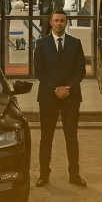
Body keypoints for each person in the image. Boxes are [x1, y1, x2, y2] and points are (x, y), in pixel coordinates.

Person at [33, 10, 87, 188]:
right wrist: (56, 88)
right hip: (48, 97)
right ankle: (43, 175)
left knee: (71, 137)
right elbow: (39, 71)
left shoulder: (75, 43)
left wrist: (67, 87)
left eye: (62, 21)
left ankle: (74, 175)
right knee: (46, 138)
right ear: (50, 22)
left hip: (71, 97)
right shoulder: (41, 44)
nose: (59, 24)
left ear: (66, 22)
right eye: (56, 20)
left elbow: (81, 70)